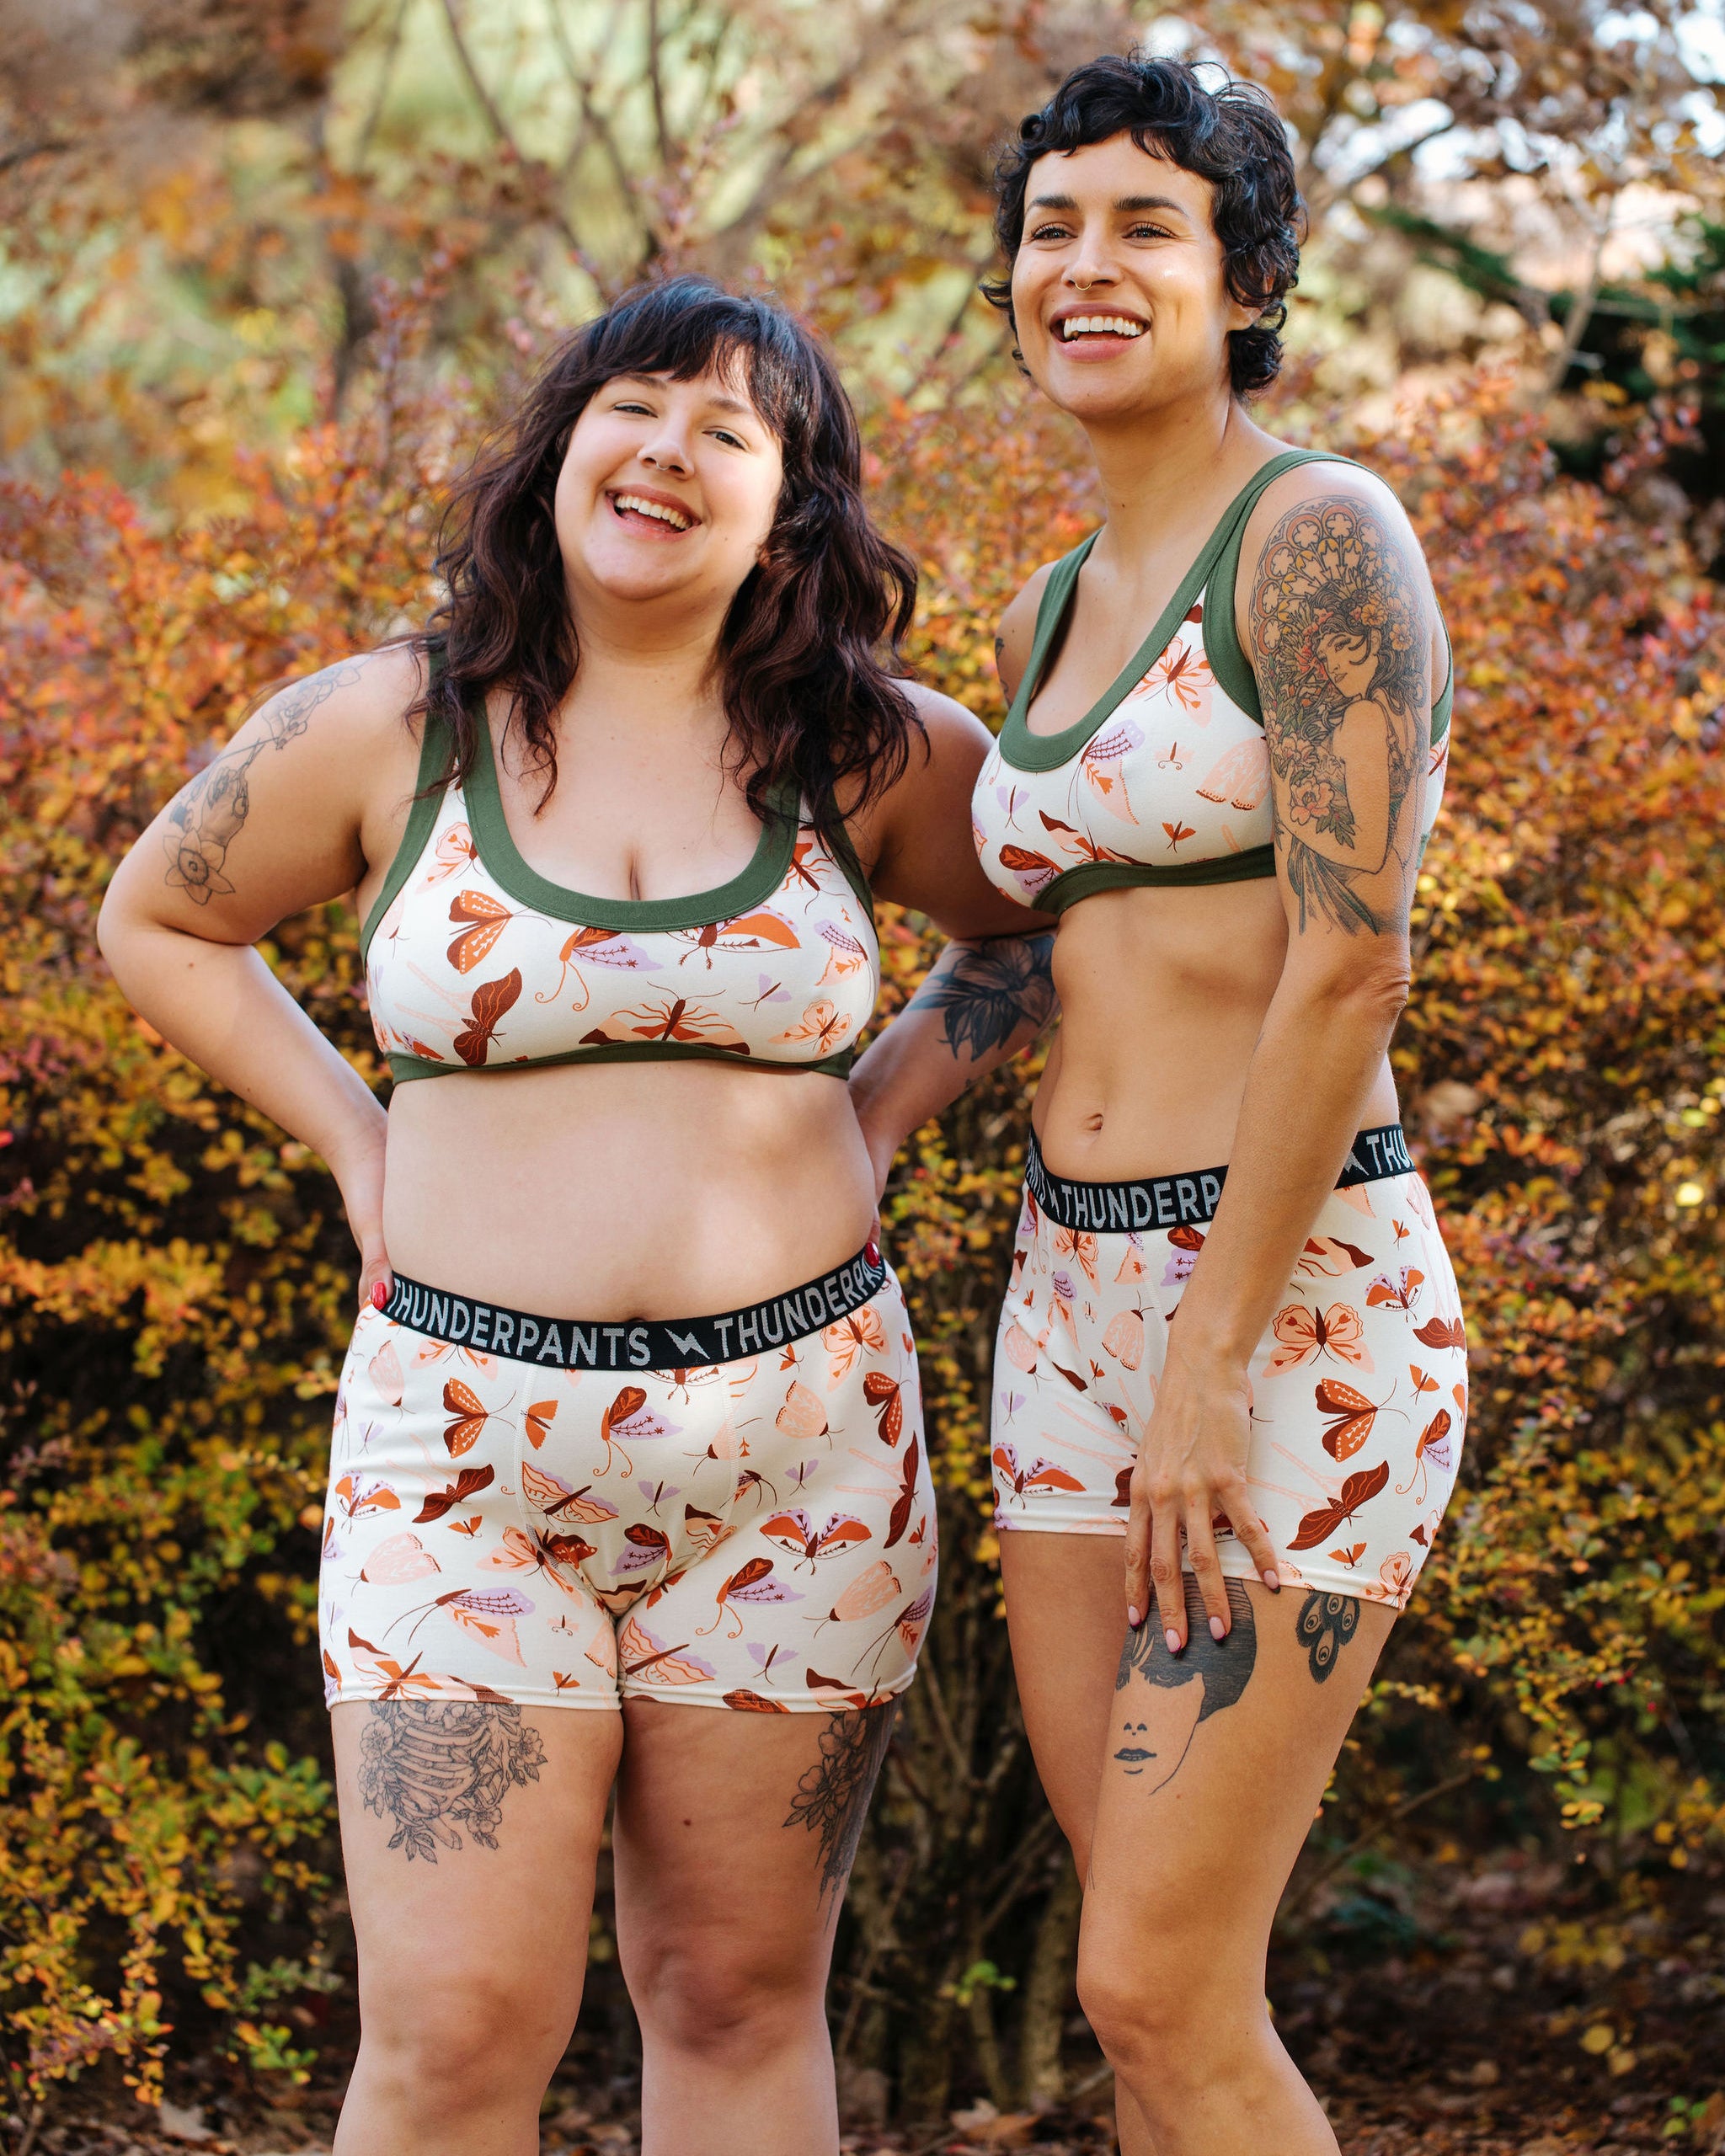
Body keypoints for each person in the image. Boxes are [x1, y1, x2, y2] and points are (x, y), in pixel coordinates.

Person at [97, 277, 1053, 2156]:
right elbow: (160, 918)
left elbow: (1021, 929)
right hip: (459, 1466)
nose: (668, 453)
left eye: (729, 429)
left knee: (733, 1995)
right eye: (635, 404)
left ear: (793, 502)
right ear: (559, 446)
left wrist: (875, 1119)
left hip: (800, 1468)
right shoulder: (393, 718)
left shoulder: (862, 746)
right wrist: (356, 1144)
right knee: (453, 2029)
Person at [862, 52, 1469, 2156]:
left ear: (1248, 278)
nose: (1083, 267)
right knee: (1144, 1969)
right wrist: (842, 1135)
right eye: (1050, 228)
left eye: (1145, 226)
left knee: (1150, 1982)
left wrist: (1211, 1357)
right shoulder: (1048, 605)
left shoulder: (1317, 536)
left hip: (1284, 1308)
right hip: (1067, 1309)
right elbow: (1026, 947)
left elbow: (1353, 954)